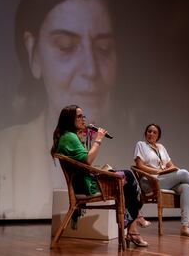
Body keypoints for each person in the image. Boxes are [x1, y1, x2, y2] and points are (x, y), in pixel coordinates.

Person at [0, 0, 117, 220]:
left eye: (104, 48)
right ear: (34, 52)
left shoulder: (126, 150)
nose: (91, 69)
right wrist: (97, 142)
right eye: (66, 47)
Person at [51, 105, 148, 247]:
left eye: (83, 116)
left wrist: (83, 141)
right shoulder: (69, 137)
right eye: (79, 116)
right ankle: (135, 223)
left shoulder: (68, 136)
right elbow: (88, 160)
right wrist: (98, 139)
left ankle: (134, 226)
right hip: (86, 185)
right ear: (69, 119)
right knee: (129, 177)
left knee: (126, 178)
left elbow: (84, 163)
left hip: (83, 181)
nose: (83, 119)